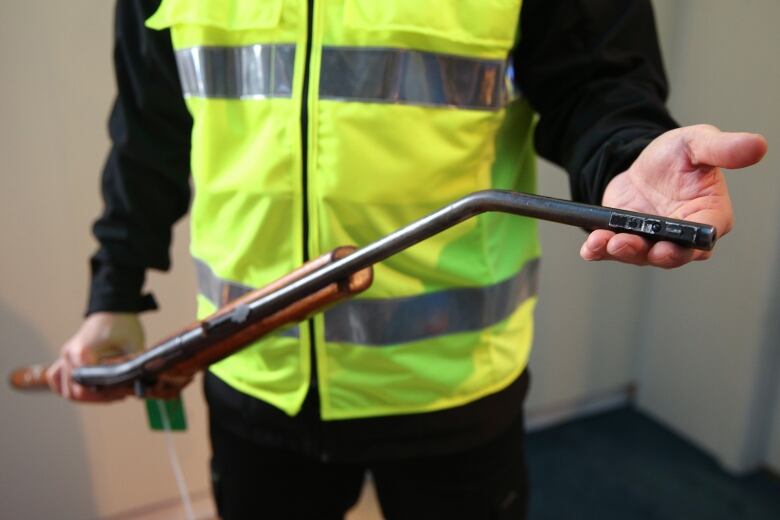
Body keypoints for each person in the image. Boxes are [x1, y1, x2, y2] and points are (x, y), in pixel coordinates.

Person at [47, 0, 767, 518]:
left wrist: (629, 154)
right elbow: (150, 128)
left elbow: (597, 81)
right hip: (252, 373)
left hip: (452, 389)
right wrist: (115, 291)